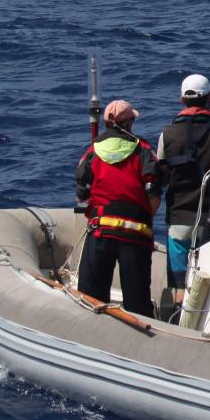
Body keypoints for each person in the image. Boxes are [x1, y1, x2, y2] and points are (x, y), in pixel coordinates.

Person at [74, 99, 162, 318]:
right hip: (135, 235)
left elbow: (82, 193)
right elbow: (155, 193)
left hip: (101, 231)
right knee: (138, 303)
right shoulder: (143, 150)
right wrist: (144, 218)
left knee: (90, 298)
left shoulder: (92, 151)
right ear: (130, 123)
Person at [156, 73, 210, 309]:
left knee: (180, 283)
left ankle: (179, 318)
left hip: (179, 216)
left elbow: (161, 176)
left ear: (182, 100)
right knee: (207, 274)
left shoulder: (167, 134)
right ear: (209, 99)